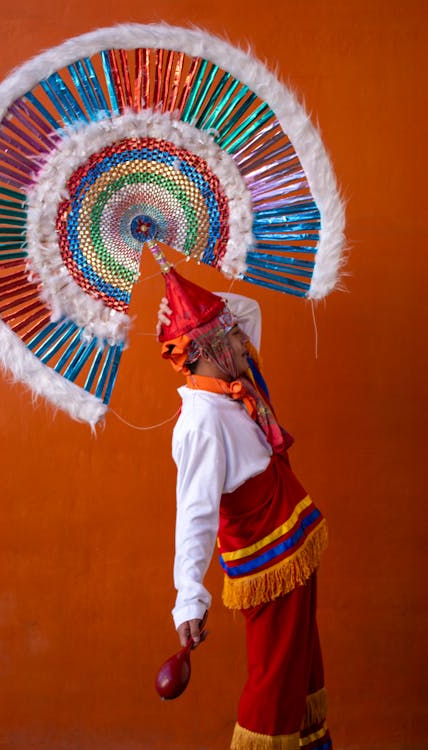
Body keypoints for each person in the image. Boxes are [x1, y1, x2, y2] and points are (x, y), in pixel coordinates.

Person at [153, 246, 332, 750]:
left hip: (291, 554)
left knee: (300, 669)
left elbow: (248, 310)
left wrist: (180, 289)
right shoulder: (202, 420)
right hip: (268, 571)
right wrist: (189, 596)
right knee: (274, 682)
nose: (242, 336)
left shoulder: (231, 380)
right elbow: (194, 513)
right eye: (227, 332)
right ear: (206, 347)